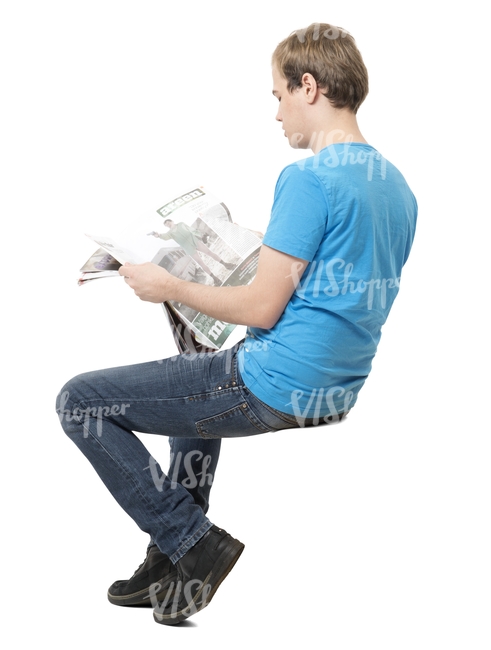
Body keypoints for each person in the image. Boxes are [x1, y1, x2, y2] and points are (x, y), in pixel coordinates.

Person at [56, 22, 417, 626]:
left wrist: (166, 284)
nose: (276, 113)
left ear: (309, 86)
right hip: (335, 386)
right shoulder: (396, 188)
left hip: (274, 380)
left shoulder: (308, 178)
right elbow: (337, 276)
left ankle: (192, 541)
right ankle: (172, 563)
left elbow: (261, 310)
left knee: (79, 402)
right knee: (195, 360)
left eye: (278, 95)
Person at [149, 219, 235, 284]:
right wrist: (158, 235)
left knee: (209, 253)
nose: (168, 225)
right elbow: (164, 237)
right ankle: (214, 278)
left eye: (168, 222)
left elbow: (191, 230)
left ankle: (226, 264)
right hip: (188, 247)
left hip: (194, 240)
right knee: (201, 263)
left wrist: (201, 235)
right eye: (166, 225)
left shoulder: (181, 224)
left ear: (172, 221)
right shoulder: (170, 233)